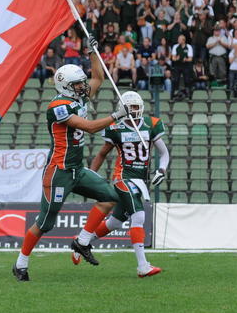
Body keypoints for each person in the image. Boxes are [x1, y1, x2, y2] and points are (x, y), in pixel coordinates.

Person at [12, 57, 127, 282]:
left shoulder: (78, 98)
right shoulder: (58, 107)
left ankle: (82, 241)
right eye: (78, 84)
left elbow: (98, 78)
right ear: (66, 86)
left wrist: (93, 52)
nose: (83, 86)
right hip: (59, 172)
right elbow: (90, 127)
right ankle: (20, 263)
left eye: (82, 82)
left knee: (110, 197)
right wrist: (116, 115)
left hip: (76, 170)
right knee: (45, 223)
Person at [80, 91, 168, 278]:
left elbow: (164, 153)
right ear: (123, 108)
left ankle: (81, 242)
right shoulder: (115, 128)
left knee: (114, 222)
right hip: (123, 177)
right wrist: (91, 175)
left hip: (141, 179)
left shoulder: (151, 124)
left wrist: (162, 170)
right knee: (139, 215)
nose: (134, 110)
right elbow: (102, 153)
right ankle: (143, 266)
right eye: (130, 107)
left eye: (136, 107)